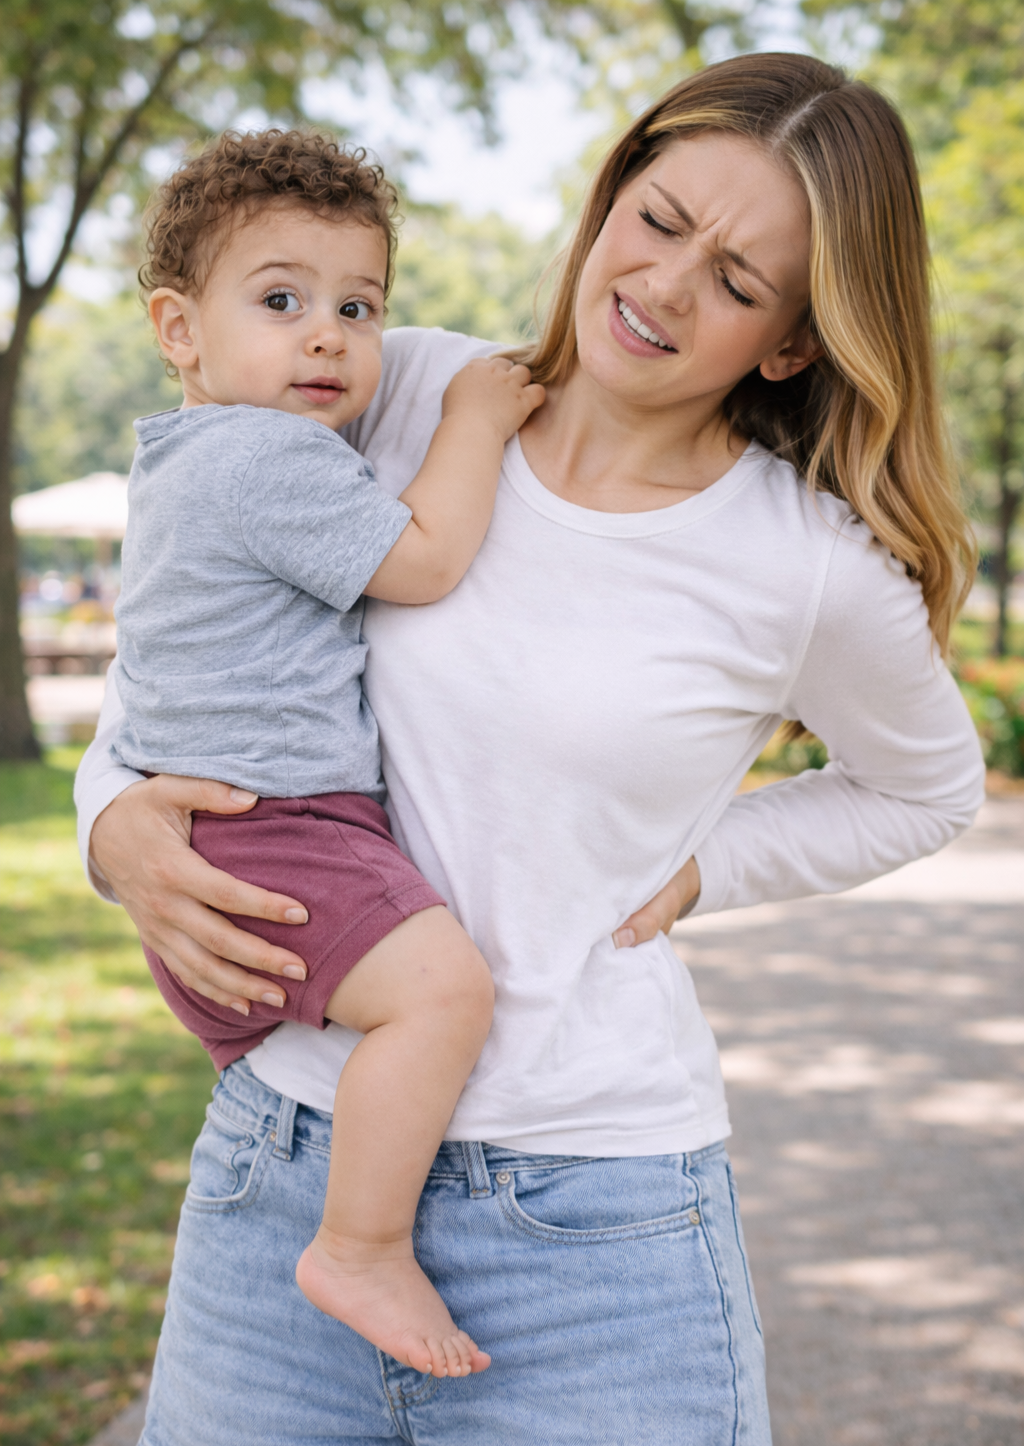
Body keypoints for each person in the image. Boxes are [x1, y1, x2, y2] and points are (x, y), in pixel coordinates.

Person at [76, 53, 984, 1446]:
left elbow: (927, 788)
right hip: (282, 1180)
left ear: (795, 342)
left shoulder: (808, 567)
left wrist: (706, 862)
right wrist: (115, 815)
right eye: (662, 218)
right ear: (611, 191)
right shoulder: (400, 385)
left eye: (741, 283)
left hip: (596, 1231)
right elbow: (193, 609)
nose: (670, 286)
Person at [110, 128, 545, 1379]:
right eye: (282, 299)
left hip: (241, 827)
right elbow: (424, 560)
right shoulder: (263, 457)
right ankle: (356, 1244)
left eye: (360, 306)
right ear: (178, 329)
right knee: (446, 995)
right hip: (275, 829)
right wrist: (472, 415)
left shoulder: (191, 452)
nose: (329, 336)